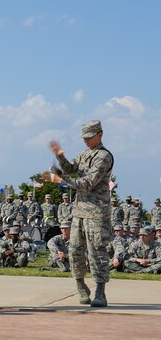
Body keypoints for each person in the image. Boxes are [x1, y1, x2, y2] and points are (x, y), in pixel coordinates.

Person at [45, 120, 114, 307]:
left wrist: (60, 179)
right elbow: (70, 168)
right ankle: (81, 286)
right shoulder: (85, 154)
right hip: (79, 211)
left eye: (89, 137)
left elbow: (88, 183)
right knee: (74, 249)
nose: (86, 141)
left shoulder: (103, 156)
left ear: (100, 134)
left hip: (96, 212)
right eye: (84, 137)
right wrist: (60, 157)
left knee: (97, 251)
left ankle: (100, 291)